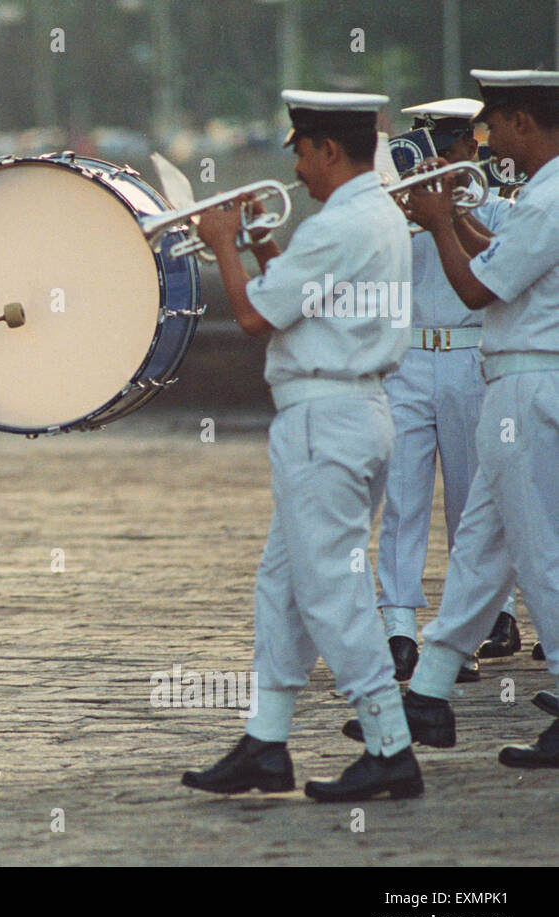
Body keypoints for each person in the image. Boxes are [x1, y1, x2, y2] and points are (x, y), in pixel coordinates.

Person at [181, 91, 420, 801]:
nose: (296, 166)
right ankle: (266, 739)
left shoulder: (337, 225)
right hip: (356, 411)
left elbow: (254, 316)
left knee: (330, 588)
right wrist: (256, 243)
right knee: (283, 587)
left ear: (327, 150)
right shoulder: (375, 215)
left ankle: (388, 742)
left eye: (301, 150)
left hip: (325, 420)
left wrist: (221, 243)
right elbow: (305, 296)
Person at [364, 70, 559, 769]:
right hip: (517, 379)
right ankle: (431, 692)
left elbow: (477, 286)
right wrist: (451, 218)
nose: (486, 139)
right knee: (479, 549)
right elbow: (498, 259)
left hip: (528, 382)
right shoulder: (541, 195)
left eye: (496, 124)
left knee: (538, 554)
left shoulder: (545, 199)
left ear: (526, 126)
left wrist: (441, 222)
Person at [376, 98, 518, 685]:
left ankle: (481, 624)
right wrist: (397, 206)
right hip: (408, 357)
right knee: (403, 497)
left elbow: (499, 263)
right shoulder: (398, 207)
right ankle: (400, 630)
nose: (438, 158)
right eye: (429, 148)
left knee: (472, 502)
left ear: (472, 149)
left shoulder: (504, 210)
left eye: (450, 147)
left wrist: (451, 212)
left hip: (469, 357)